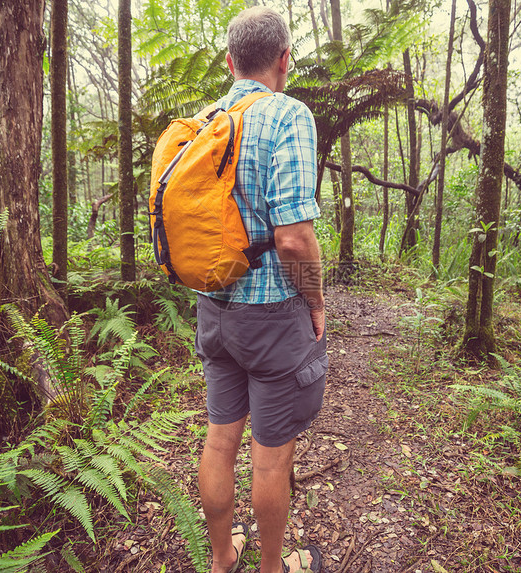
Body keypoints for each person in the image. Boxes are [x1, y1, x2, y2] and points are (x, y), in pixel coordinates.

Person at [194, 6, 327, 573]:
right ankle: (273, 568)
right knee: (270, 461)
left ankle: (224, 558)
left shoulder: (203, 121)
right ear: (283, 60)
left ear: (230, 62)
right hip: (271, 314)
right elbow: (294, 239)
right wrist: (317, 301)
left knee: (220, 441)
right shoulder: (288, 116)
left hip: (213, 308)